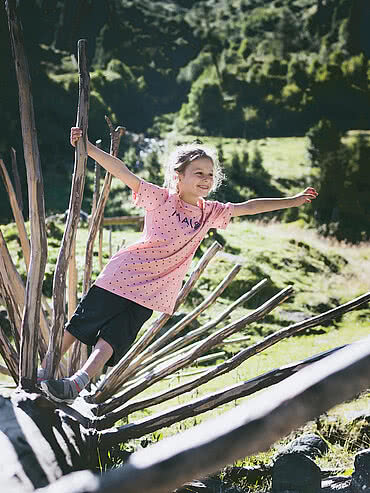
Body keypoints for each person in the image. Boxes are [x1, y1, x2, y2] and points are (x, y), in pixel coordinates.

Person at [40, 127, 318, 404]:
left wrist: (292, 201)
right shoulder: (161, 198)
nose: (206, 179)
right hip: (124, 275)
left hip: (157, 289)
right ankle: (43, 372)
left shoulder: (211, 212)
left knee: (114, 338)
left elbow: (250, 206)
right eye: (198, 173)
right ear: (179, 176)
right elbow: (122, 171)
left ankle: (78, 382)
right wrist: (87, 147)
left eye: (210, 174)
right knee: (82, 323)